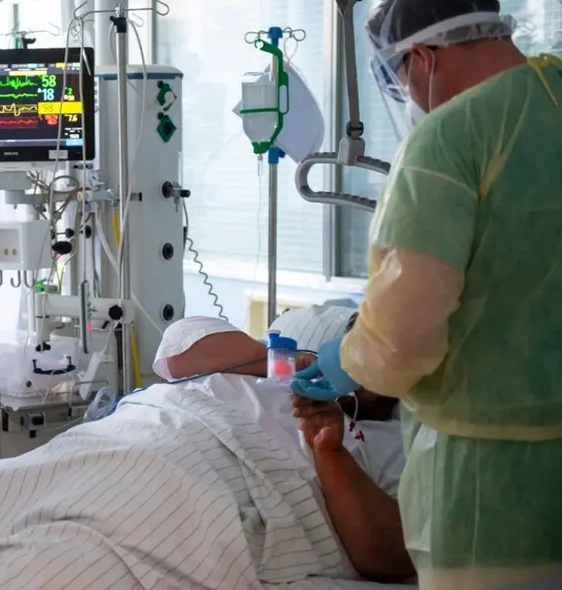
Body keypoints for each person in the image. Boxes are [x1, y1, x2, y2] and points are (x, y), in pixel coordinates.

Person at [290, 1, 562, 588]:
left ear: (421, 58)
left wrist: (346, 362)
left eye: (398, 79)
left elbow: (399, 339)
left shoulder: (450, 139)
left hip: (487, 485)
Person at [154, 314, 415, 583]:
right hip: (161, 433)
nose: (370, 357)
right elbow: (177, 349)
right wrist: (278, 361)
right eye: (361, 343)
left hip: (218, 504)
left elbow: (393, 555)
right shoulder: (273, 369)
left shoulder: (397, 444)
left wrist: (331, 454)